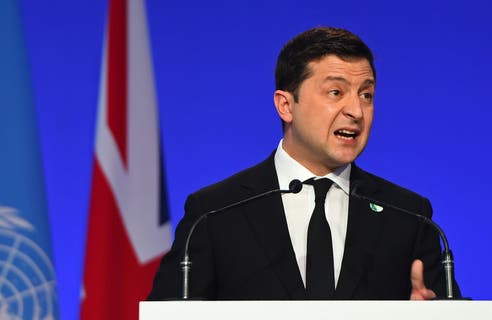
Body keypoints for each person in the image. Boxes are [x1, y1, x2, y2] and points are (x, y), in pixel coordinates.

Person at [147, 26, 460, 300]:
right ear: (286, 105)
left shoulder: (408, 216)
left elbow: (443, 307)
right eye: (336, 92)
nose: (356, 110)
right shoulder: (215, 213)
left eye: (366, 95)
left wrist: (432, 315)